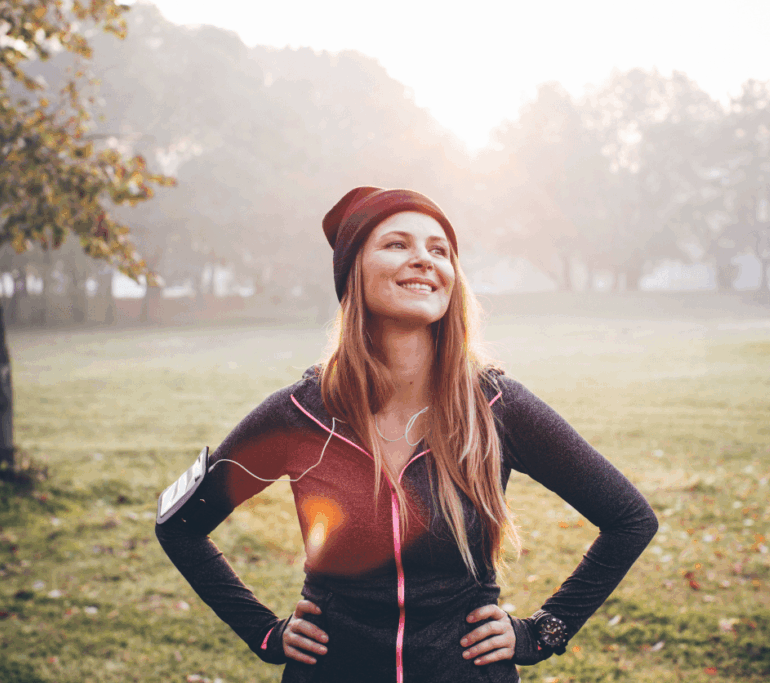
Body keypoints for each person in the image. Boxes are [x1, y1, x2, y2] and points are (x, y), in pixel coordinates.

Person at [155, 187, 659, 683]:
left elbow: (629, 519)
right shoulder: (300, 414)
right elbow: (180, 525)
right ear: (354, 272)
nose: (424, 259)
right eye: (397, 244)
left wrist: (543, 632)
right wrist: (264, 633)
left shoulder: (496, 407)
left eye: (439, 250)